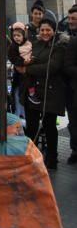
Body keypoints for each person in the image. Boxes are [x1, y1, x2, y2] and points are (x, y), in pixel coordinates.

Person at [20, 17, 65, 169]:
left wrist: (29, 69)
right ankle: (33, 155)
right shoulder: (35, 44)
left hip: (51, 92)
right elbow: (29, 59)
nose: (45, 32)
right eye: (43, 30)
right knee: (32, 126)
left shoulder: (59, 46)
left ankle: (52, 157)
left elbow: (52, 67)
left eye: (48, 30)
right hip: (34, 92)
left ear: (54, 31)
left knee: (49, 126)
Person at [7, 22, 30, 119]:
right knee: (18, 97)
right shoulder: (12, 47)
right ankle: (19, 115)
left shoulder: (28, 44)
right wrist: (24, 62)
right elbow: (14, 59)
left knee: (26, 97)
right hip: (18, 77)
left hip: (28, 76)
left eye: (19, 35)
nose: (16, 37)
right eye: (14, 35)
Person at [64, 34, 77, 164]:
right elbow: (67, 66)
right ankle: (75, 150)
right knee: (74, 124)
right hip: (74, 91)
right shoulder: (74, 42)